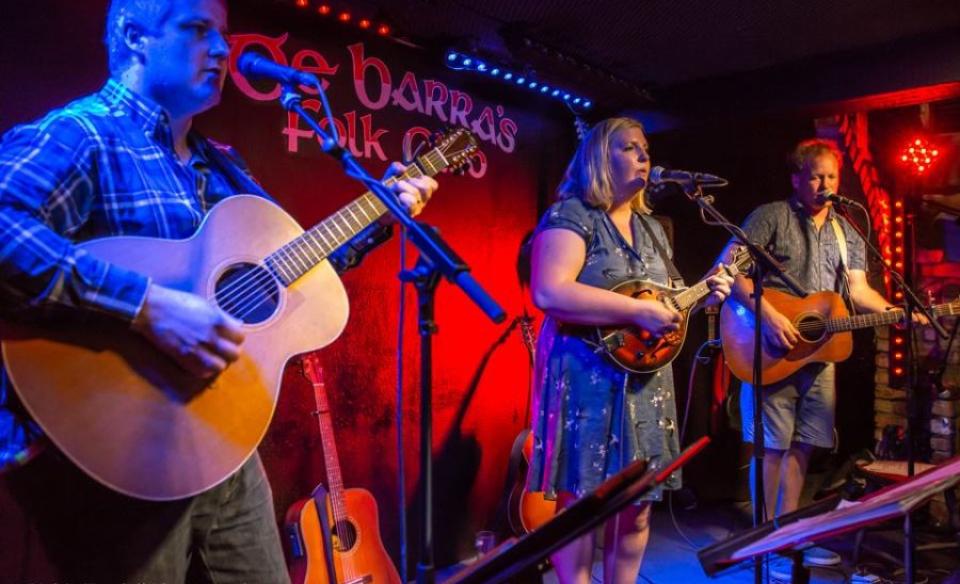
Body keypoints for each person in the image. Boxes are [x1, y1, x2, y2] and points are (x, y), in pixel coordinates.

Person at [0, 0, 436, 581]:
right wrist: (146, 306)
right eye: (198, 30)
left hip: (224, 444)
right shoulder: (82, 134)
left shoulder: (220, 165)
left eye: (224, 34)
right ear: (135, 36)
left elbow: (294, 268)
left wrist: (380, 216)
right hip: (119, 456)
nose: (224, 49)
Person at [526, 117, 733, 584]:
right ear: (600, 157)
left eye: (645, 148)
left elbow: (665, 304)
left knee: (638, 505)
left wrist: (705, 297)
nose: (645, 156)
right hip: (586, 375)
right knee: (581, 502)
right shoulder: (573, 215)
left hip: (644, 382)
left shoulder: (652, 228)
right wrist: (636, 313)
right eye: (630, 148)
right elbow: (549, 292)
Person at [719, 138, 915, 568]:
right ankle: (764, 542)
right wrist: (769, 316)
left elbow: (859, 291)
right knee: (771, 447)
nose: (824, 184)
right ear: (797, 178)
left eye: (831, 176)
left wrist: (894, 312)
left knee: (804, 446)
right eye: (815, 175)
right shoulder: (770, 216)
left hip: (819, 355)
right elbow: (728, 271)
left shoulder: (848, 231)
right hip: (767, 344)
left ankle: (788, 537)